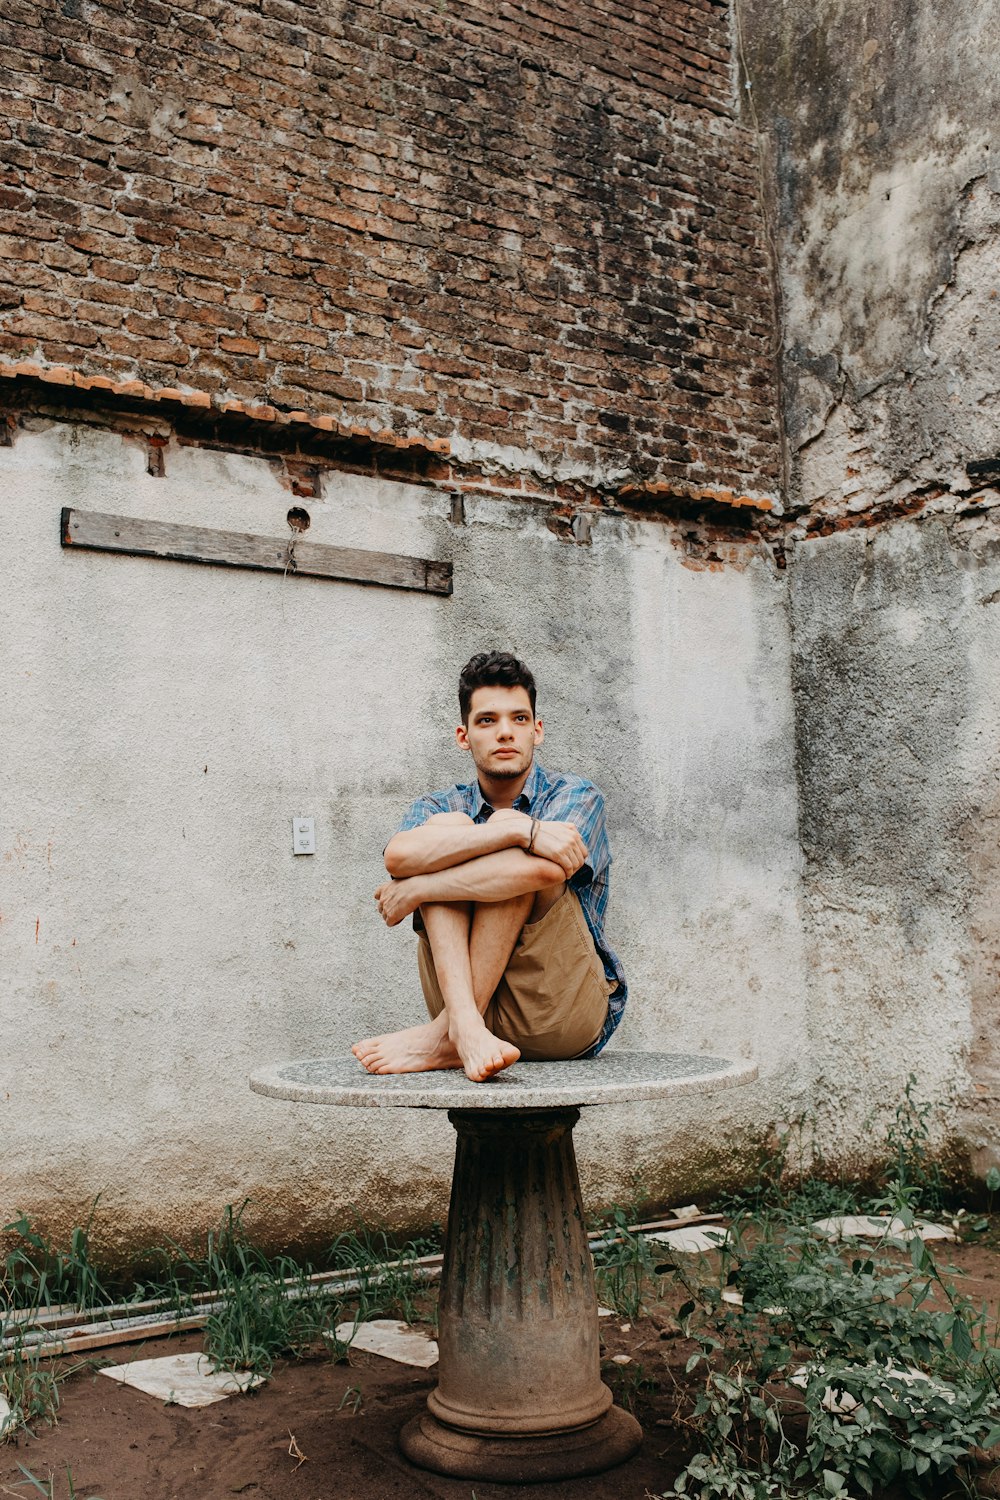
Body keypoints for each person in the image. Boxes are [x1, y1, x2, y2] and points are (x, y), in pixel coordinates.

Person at [352, 652, 627, 1082]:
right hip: (475, 1023)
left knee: (506, 844)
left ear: (537, 730)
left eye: (519, 719)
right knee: (450, 829)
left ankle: (444, 1035)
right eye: (487, 721)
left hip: (559, 1012)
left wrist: (421, 888)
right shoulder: (437, 805)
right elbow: (398, 858)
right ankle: (462, 1026)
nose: (505, 732)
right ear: (463, 736)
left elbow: (545, 873)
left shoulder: (576, 794)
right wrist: (518, 832)